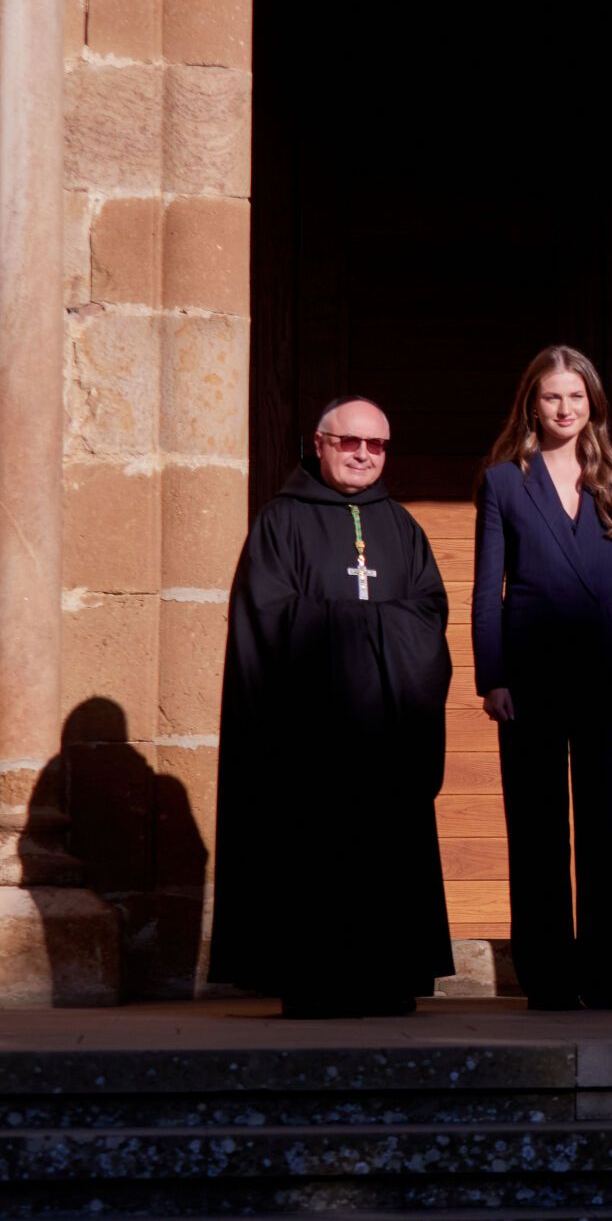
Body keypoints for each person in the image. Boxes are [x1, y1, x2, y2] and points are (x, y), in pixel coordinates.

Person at [210, 397, 454, 1019]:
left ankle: (391, 978)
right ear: (318, 443)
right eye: (350, 442)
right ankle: (312, 982)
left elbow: (430, 614)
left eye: (376, 445)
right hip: (309, 734)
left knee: (389, 855)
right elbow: (266, 615)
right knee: (313, 858)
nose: (363, 455)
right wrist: (372, 626)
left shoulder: (402, 526)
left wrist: (365, 629)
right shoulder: (280, 522)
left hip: (387, 730)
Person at [474, 346, 612, 1013]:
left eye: (576, 397)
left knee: (611, 825)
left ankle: (610, 978)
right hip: (531, 671)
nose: (565, 408)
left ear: (593, 405)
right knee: (538, 827)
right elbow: (487, 589)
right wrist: (492, 676)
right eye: (553, 396)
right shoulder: (504, 481)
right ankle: (549, 978)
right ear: (533, 403)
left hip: (611, 669)